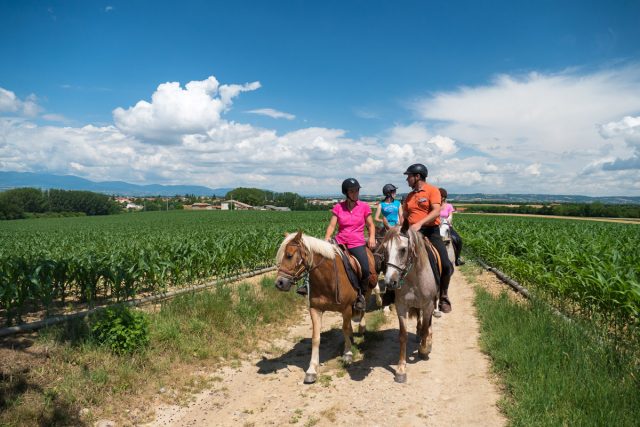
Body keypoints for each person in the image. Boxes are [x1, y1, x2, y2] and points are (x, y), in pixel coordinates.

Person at [402, 164, 454, 313]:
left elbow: (436, 210)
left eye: (409, 176)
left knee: (445, 264)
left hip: (431, 232)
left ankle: (443, 295)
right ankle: (392, 292)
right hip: (412, 233)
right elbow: (405, 216)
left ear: (417, 176)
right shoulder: (410, 196)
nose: (407, 179)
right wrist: (400, 229)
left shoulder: (433, 190)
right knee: (396, 258)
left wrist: (420, 223)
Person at [324, 178, 376, 311]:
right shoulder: (338, 207)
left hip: (357, 242)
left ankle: (361, 295)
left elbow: (370, 225)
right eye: (352, 191)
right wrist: (327, 238)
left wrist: (371, 237)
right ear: (346, 193)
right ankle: (312, 288)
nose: (355, 193)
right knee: (321, 259)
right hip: (340, 242)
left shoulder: (364, 206)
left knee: (365, 269)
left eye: (357, 190)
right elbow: (332, 225)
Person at [438, 187, 464, 266]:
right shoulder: (434, 206)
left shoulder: (449, 206)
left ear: (443, 197)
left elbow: (450, 216)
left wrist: (448, 220)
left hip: (446, 225)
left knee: (458, 239)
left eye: (439, 196)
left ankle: (457, 258)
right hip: (436, 225)